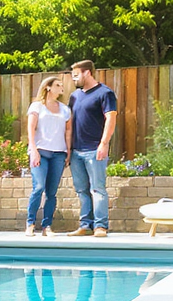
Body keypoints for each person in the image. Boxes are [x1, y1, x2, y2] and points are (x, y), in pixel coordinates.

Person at [67, 60, 118, 237]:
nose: (74, 79)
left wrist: (103, 144)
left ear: (87, 73)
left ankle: (100, 226)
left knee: (97, 189)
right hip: (76, 151)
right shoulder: (74, 96)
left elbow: (111, 118)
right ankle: (85, 225)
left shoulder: (105, 93)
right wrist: (68, 149)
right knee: (81, 190)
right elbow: (70, 124)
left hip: (95, 149)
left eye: (76, 75)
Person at [25, 76, 72, 236]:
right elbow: (31, 129)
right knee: (38, 187)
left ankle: (47, 226)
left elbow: (68, 131)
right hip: (40, 152)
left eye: (61, 85)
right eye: (58, 85)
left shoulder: (65, 109)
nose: (61, 88)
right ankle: (30, 224)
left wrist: (68, 150)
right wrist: (33, 150)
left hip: (58, 153)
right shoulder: (37, 106)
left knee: (52, 192)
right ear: (48, 88)